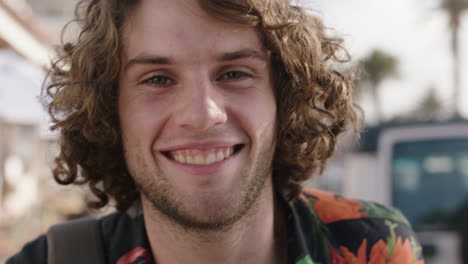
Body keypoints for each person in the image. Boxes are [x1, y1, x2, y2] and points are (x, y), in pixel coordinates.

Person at [8, 0, 424, 263]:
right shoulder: (50, 260)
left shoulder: (375, 247)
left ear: (284, 98)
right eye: (157, 79)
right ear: (110, 113)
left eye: (234, 73)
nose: (202, 114)